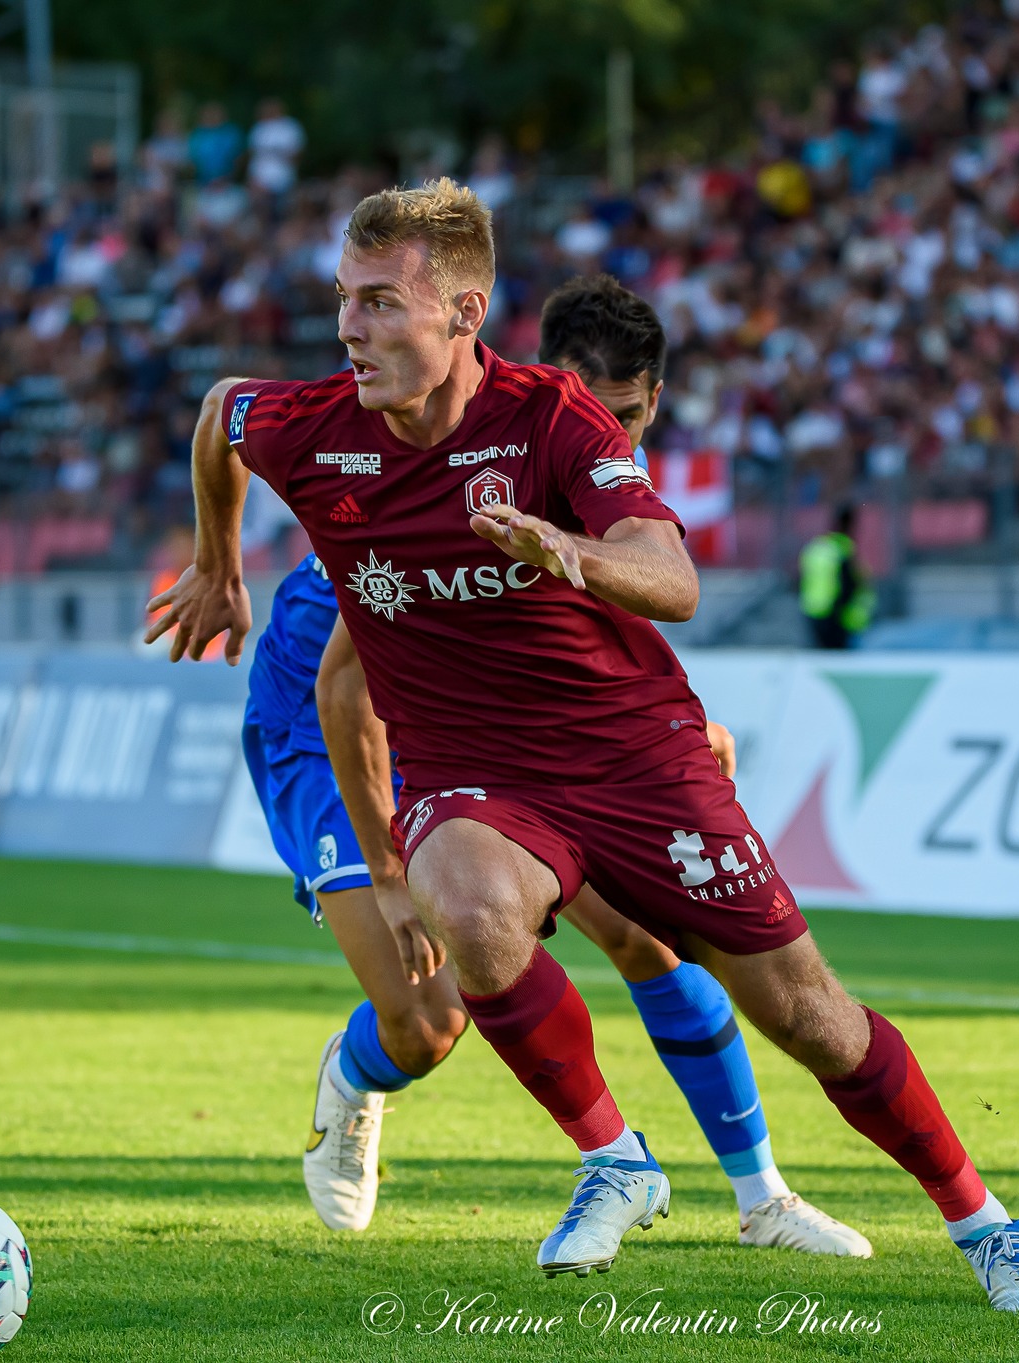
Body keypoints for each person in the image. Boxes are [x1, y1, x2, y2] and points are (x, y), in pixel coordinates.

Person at [148, 179, 1019, 1308]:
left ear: (465, 314)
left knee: (806, 1015)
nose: (348, 327)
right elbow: (227, 423)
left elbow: (671, 579)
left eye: (379, 302)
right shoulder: (319, 432)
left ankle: (979, 1221)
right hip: (424, 753)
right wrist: (217, 564)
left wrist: (565, 552)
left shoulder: (553, 421)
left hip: (625, 757)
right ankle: (610, 1156)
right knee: (454, 946)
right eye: (346, 298)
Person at [257, 270, 867, 1255]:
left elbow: (588, 639)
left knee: (646, 935)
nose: (611, 434)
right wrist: (389, 868)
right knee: (426, 1022)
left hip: (475, 721)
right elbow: (347, 683)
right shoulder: (476, 455)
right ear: (538, 381)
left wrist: (676, 732)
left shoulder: (593, 462)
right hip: (334, 713)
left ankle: (761, 1197)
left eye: (627, 417)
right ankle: (354, 1073)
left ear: (652, 402)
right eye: (594, 410)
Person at [799, 505, 872, 649]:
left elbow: (802, 578)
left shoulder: (815, 548)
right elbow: (847, 584)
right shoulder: (842, 550)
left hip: (812, 610)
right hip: (835, 615)